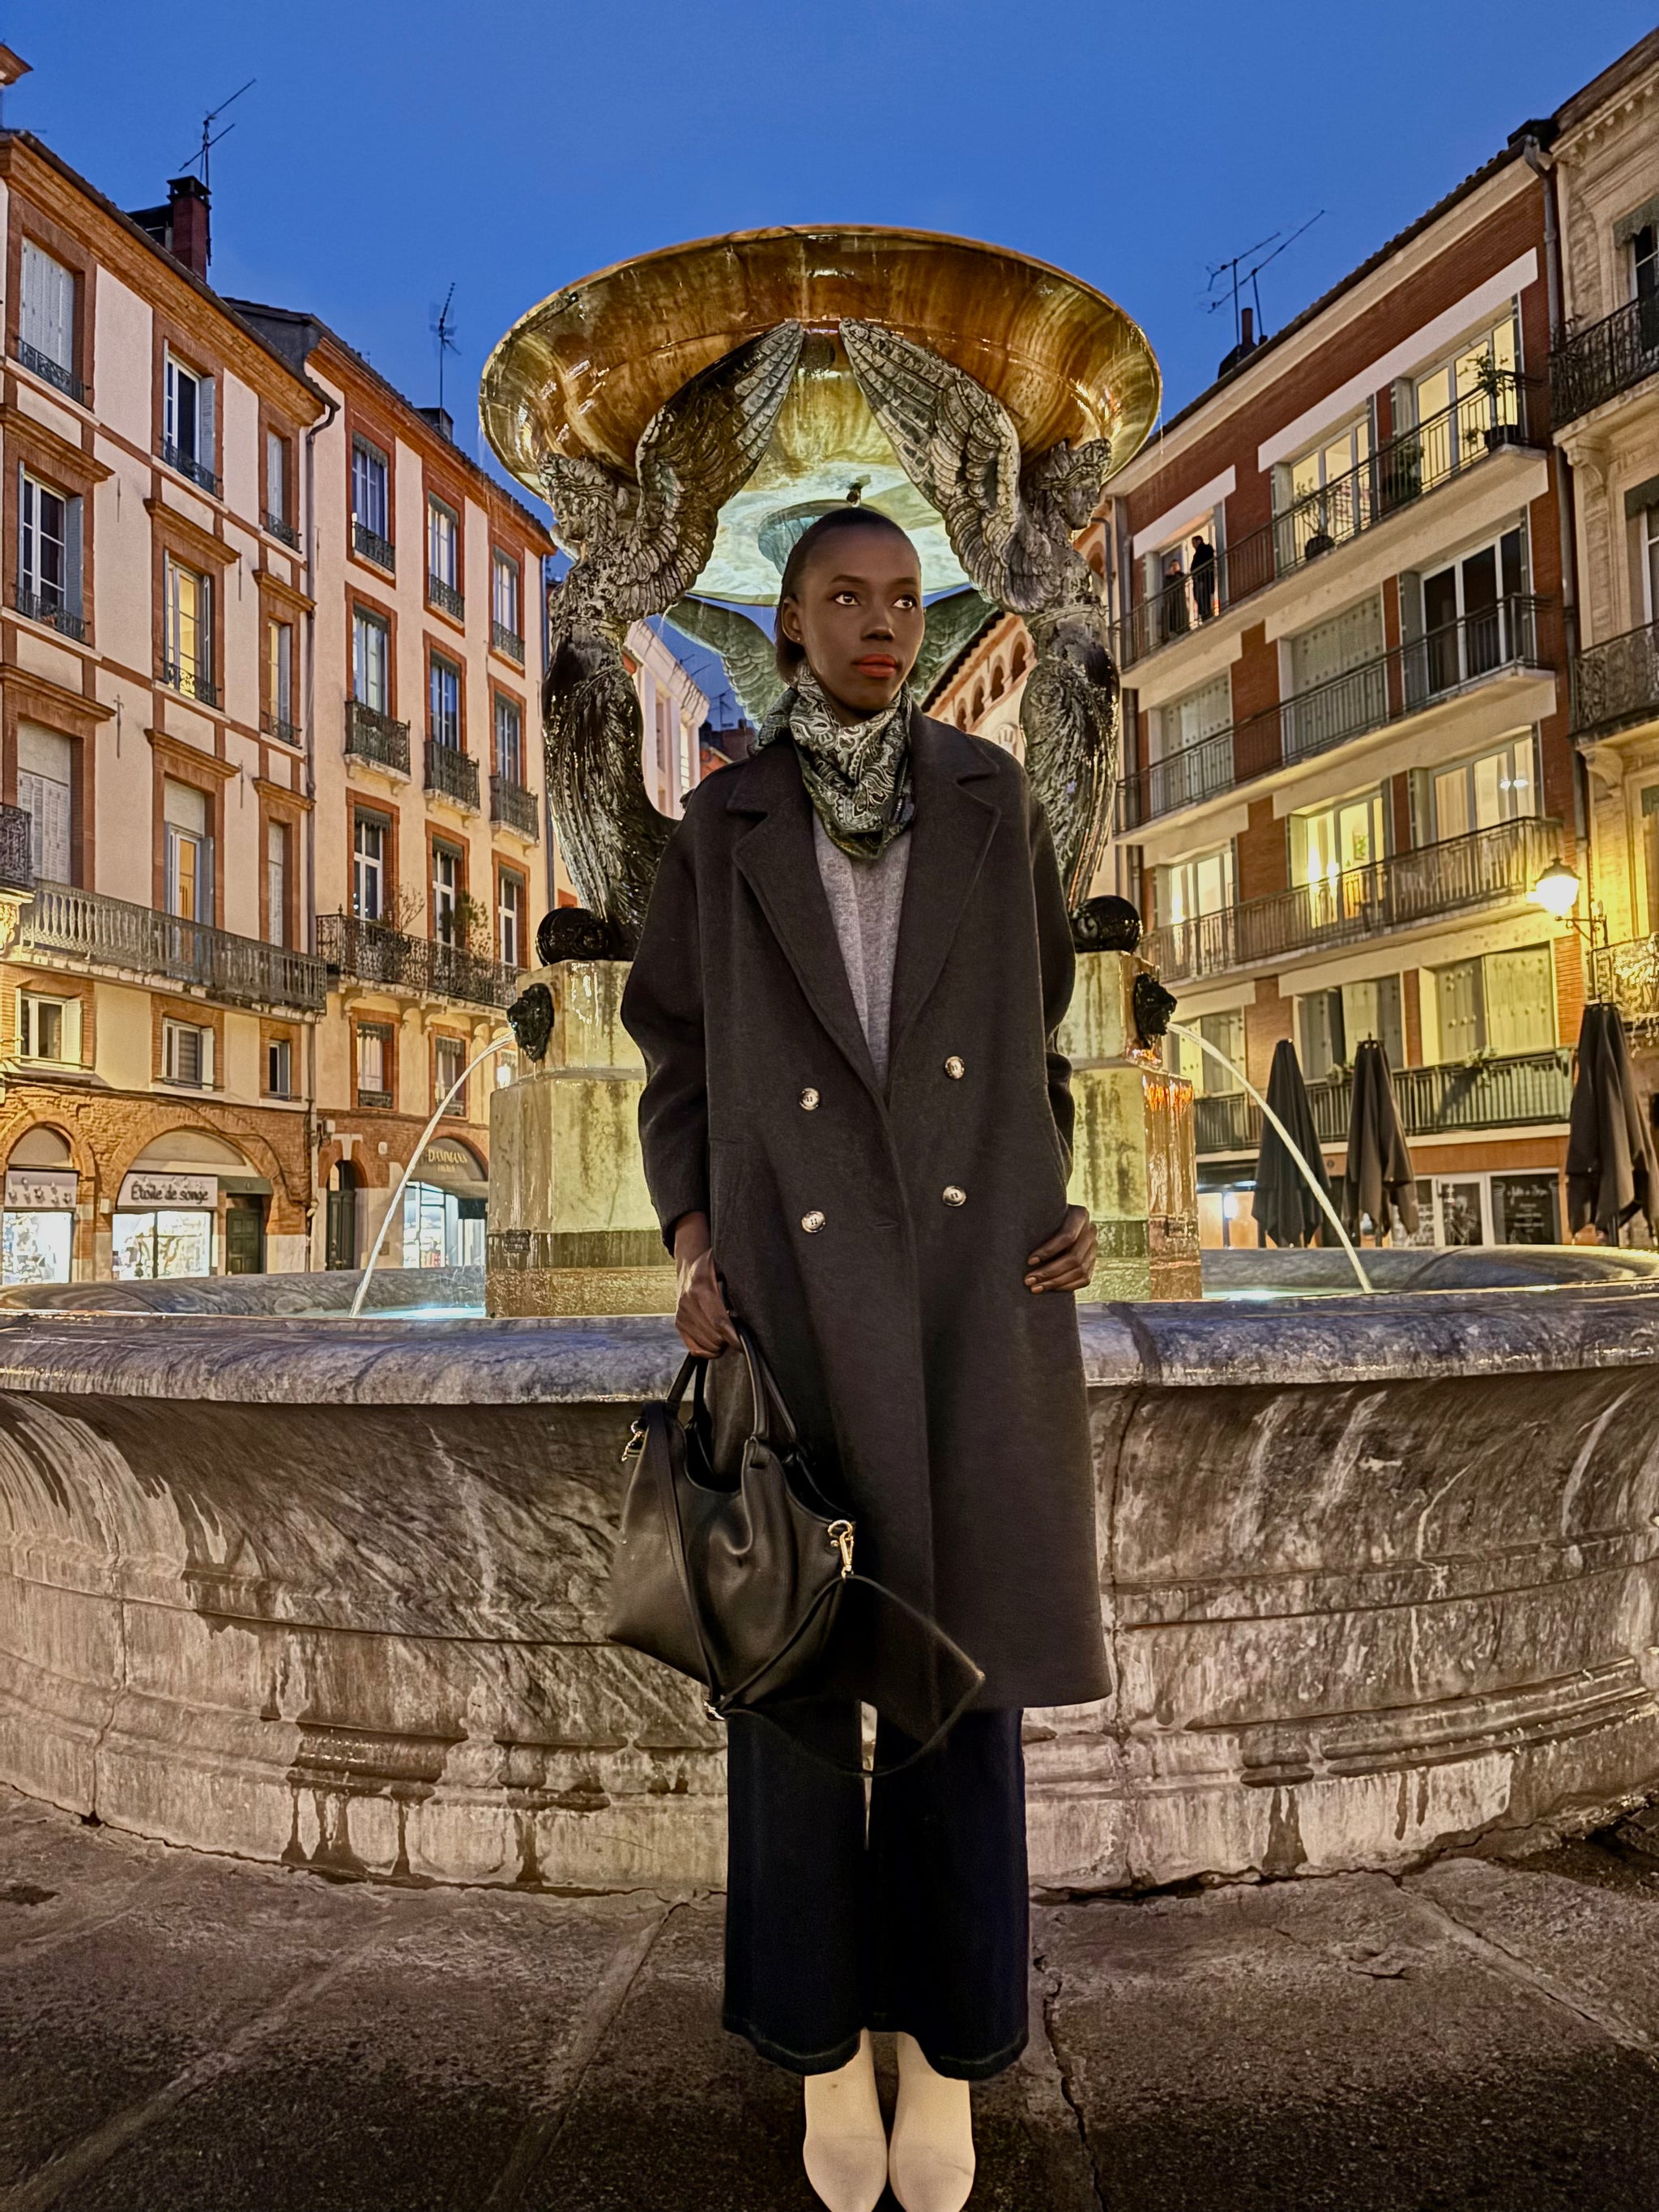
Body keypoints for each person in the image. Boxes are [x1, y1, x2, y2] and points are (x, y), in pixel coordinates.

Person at [621, 504, 1107, 2212]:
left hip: (977, 1287)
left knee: (963, 1692)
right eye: (846, 597)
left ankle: (950, 2052)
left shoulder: (992, 799)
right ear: (790, 621)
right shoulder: (722, 822)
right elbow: (674, 1060)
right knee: (801, 1688)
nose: (882, 623)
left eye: (903, 599)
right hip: (793, 1297)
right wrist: (693, 1244)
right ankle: (825, 2042)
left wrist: (1065, 1196)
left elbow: (1038, 1036)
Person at [1189, 531, 1218, 621]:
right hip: (1201, 579)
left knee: (1203, 598)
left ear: (1199, 541)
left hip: (1203, 579)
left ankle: (1206, 614)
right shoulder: (1201, 552)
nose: (1193, 545)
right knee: (1202, 598)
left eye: (1194, 542)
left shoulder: (1204, 550)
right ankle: (1205, 614)